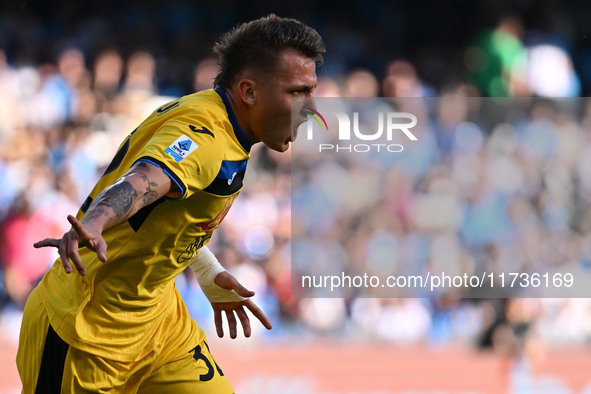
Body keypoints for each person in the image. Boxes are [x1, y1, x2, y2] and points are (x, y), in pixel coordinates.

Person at [17, 14, 325, 393]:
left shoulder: (214, 115)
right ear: (249, 91)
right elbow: (146, 179)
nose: (310, 107)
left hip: (159, 324)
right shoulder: (209, 137)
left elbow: (168, 209)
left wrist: (209, 274)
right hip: (84, 331)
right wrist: (96, 221)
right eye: (298, 92)